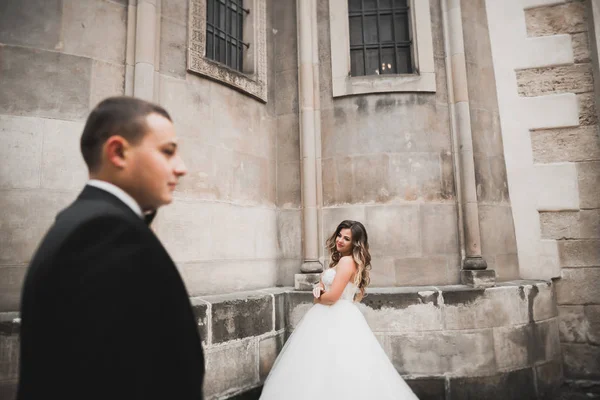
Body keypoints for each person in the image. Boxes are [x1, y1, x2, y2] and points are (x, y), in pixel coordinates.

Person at [16, 97, 205, 400]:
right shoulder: (104, 234)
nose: (181, 168)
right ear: (118, 152)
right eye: (167, 152)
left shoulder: (85, 222)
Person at [259, 220, 419, 400]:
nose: (340, 240)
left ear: (355, 243)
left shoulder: (346, 262)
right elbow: (326, 287)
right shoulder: (342, 261)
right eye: (339, 235)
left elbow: (333, 296)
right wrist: (319, 288)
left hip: (336, 314)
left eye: (347, 238)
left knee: (333, 363)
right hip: (332, 313)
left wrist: (316, 297)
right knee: (326, 364)